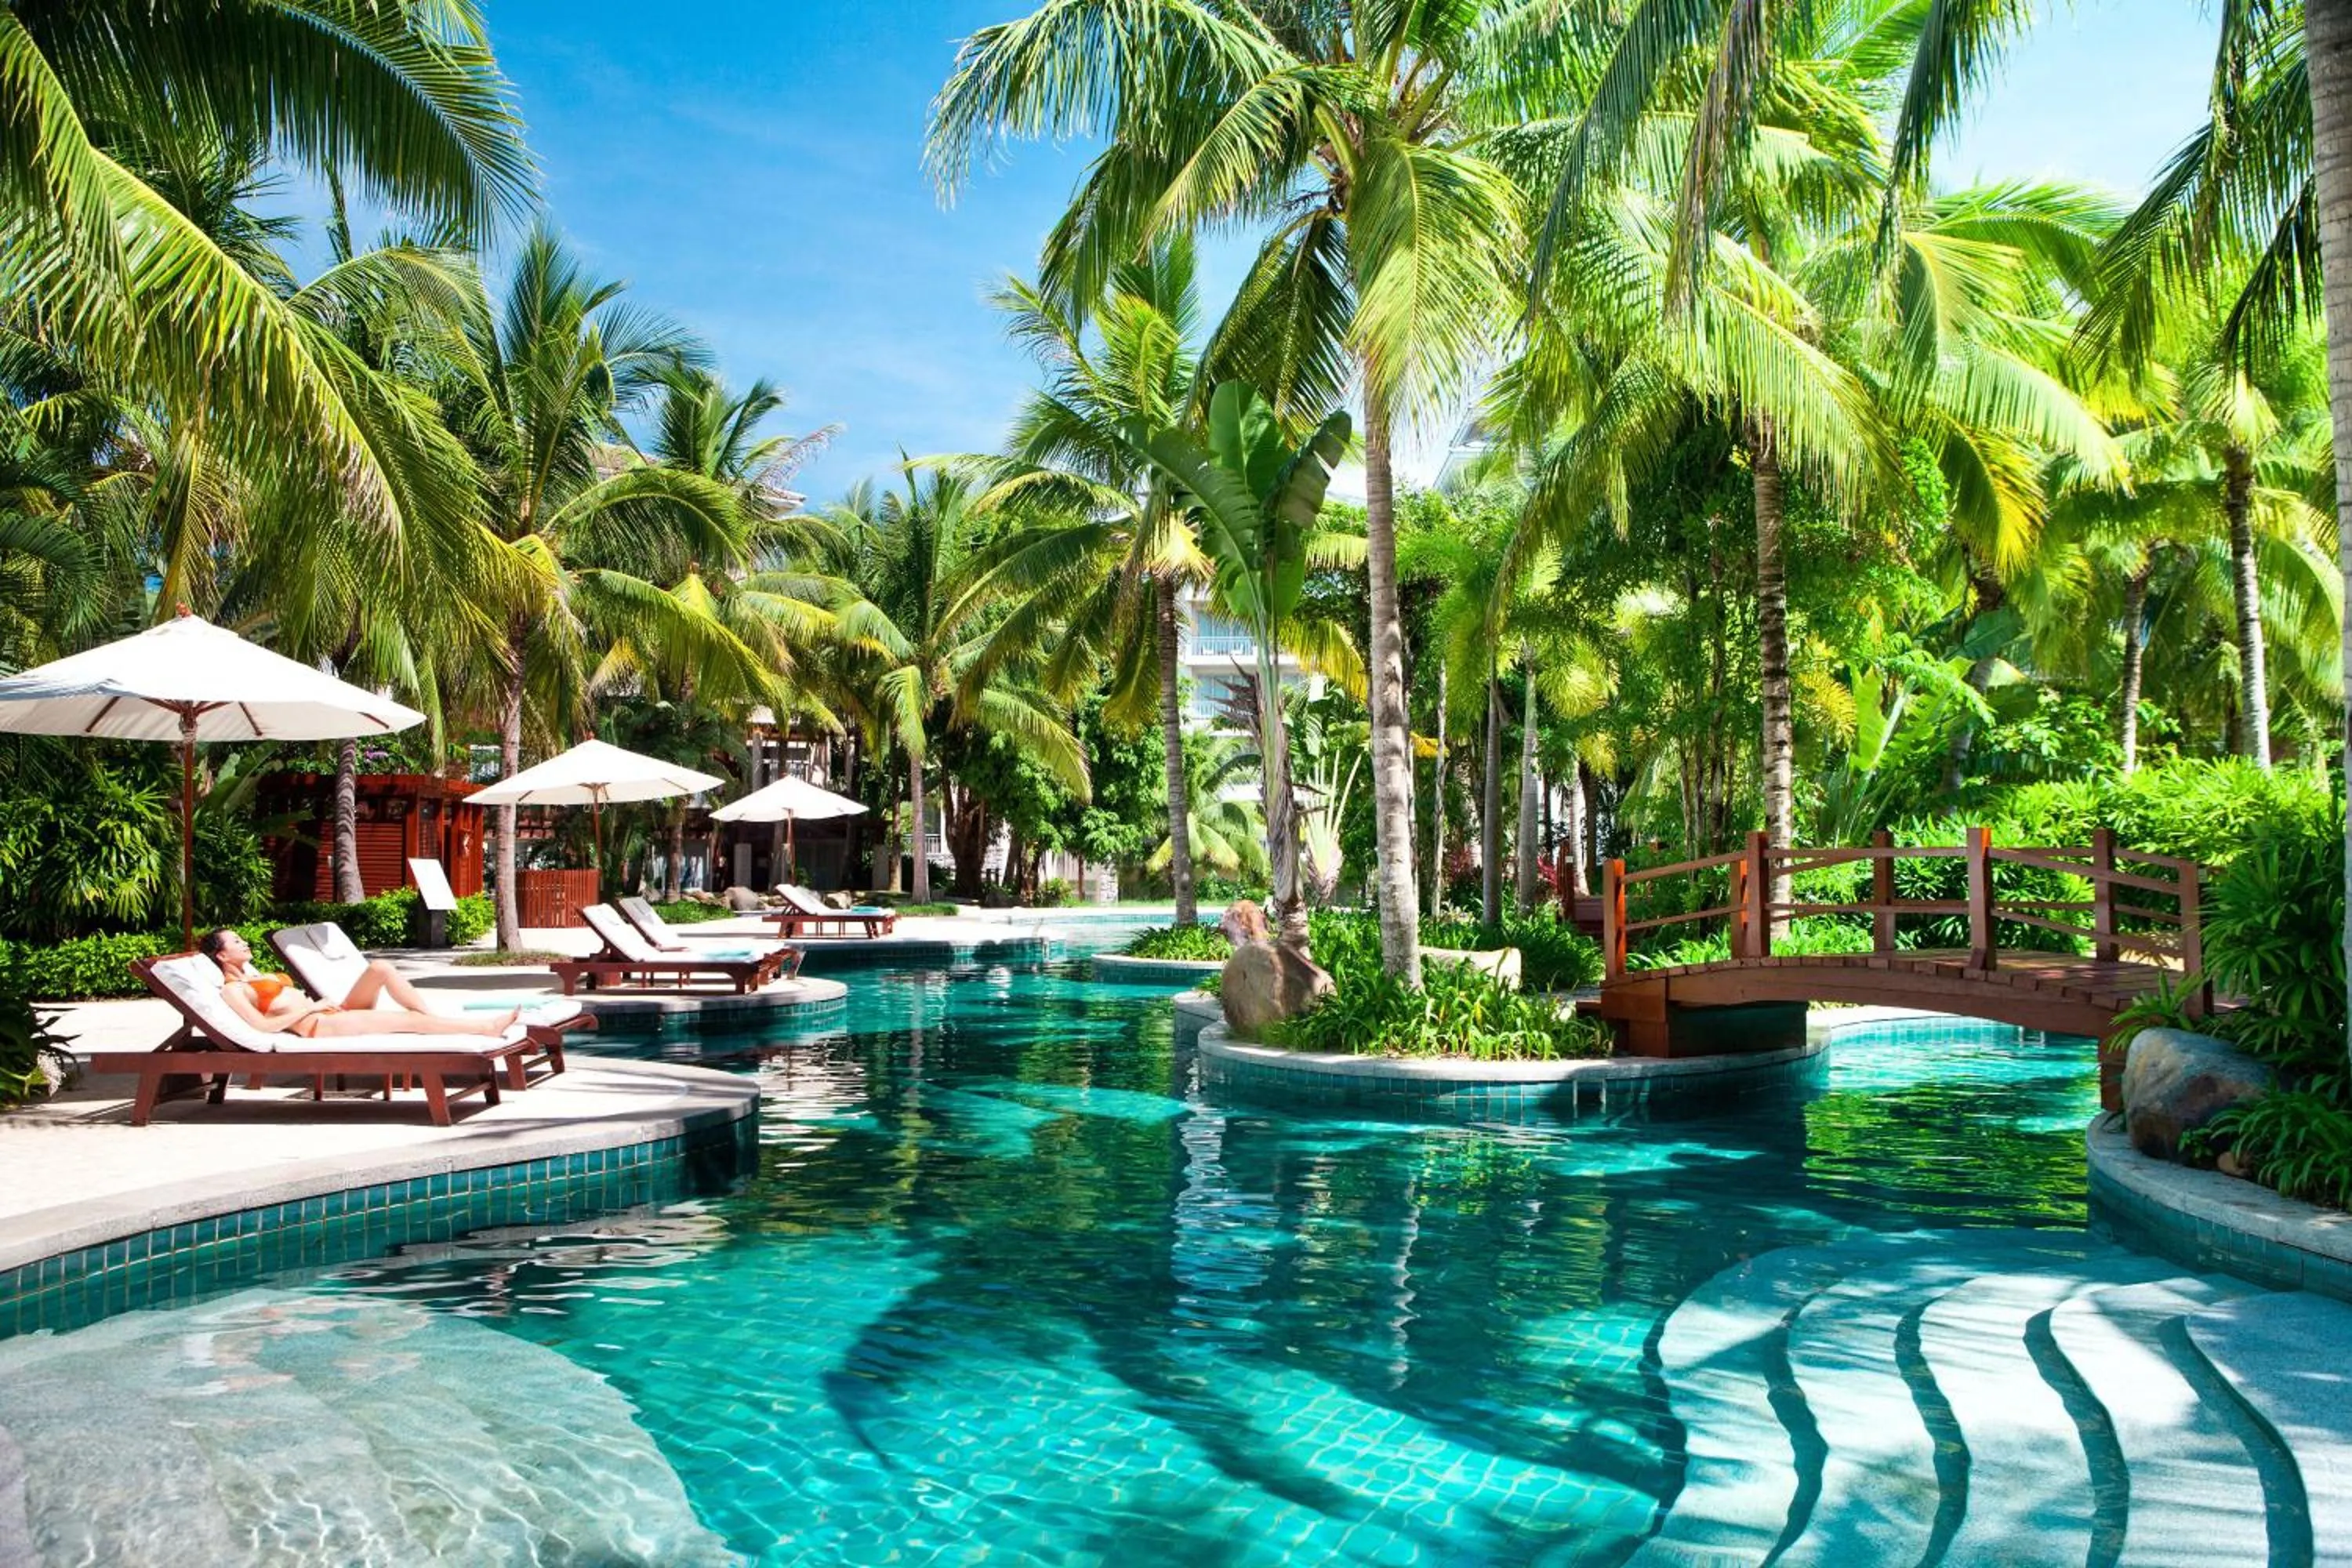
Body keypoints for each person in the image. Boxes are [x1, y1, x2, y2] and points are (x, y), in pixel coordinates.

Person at [200, 929, 519, 1039]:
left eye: (242, 939)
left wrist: (322, 1006)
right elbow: (262, 1027)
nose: (244, 943)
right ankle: (484, 1028)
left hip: (332, 1013)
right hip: (318, 1026)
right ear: (220, 956)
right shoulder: (233, 990)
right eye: (235, 942)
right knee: (407, 1021)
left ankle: (430, 1022)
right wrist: (313, 1008)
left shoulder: (255, 974)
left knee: (380, 967)